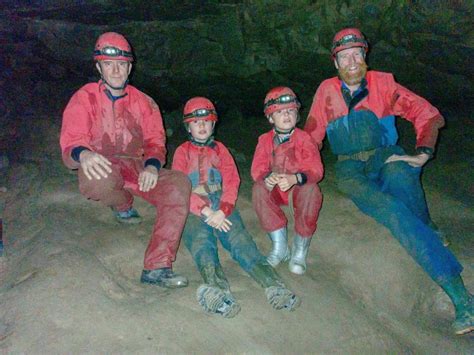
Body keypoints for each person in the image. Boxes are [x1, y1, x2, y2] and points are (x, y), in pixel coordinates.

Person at [304, 28, 473, 335]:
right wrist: (294, 171)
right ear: (335, 63)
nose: (352, 61)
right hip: (349, 169)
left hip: (385, 155)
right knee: (392, 211)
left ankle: (462, 299)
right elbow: (311, 138)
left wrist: (423, 152)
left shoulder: (384, 83)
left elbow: (428, 114)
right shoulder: (326, 91)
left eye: (357, 54)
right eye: (345, 56)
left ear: (365, 56)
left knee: (400, 174)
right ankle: (458, 290)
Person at [60, 32, 191, 288]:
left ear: (130, 67)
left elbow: (155, 142)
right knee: (95, 178)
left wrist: (153, 166)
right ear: (99, 67)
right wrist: (83, 154)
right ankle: (122, 204)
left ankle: (157, 267)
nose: (116, 70)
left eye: (122, 64)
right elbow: (72, 139)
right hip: (103, 162)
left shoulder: (144, 102)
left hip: (136, 164)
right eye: (109, 64)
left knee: (179, 185)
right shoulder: (84, 98)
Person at [172, 97, 300, 317]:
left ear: (213, 124)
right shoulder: (182, 152)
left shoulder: (220, 150)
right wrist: (206, 211)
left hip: (220, 202)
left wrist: (223, 210)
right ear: (188, 127)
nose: (202, 126)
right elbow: (180, 186)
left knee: (239, 239)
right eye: (196, 122)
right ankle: (217, 290)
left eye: (206, 121)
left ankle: (274, 285)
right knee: (202, 241)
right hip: (194, 207)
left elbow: (232, 181)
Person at [251, 87, 323, 275]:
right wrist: (268, 178)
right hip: (276, 191)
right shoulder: (265, 140)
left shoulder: (304, 138)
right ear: (270, 117)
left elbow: (316, 170)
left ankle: (299, 251)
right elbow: (257, 168)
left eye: (291, 111)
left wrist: (295, 178)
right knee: (258, 189)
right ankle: (280, 247)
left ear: (297, 114)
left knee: (312, 190)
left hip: (296, 192)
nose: (286, 115)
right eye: (280, 112)